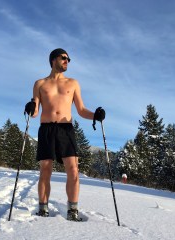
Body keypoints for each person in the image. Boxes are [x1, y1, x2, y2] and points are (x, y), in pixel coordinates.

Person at [24, 48, 105, 221]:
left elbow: (82, 110)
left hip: (65, 129)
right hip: (46, 129)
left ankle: (72, 210)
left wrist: (95, 115)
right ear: (54, 60)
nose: (67, 61)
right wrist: (30, 108)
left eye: (68, 58)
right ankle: (43, 209)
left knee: (73, 170)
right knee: (45, 170)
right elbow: (35, 112)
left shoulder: (73, 83)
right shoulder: (40, 83)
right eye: (64, 58)